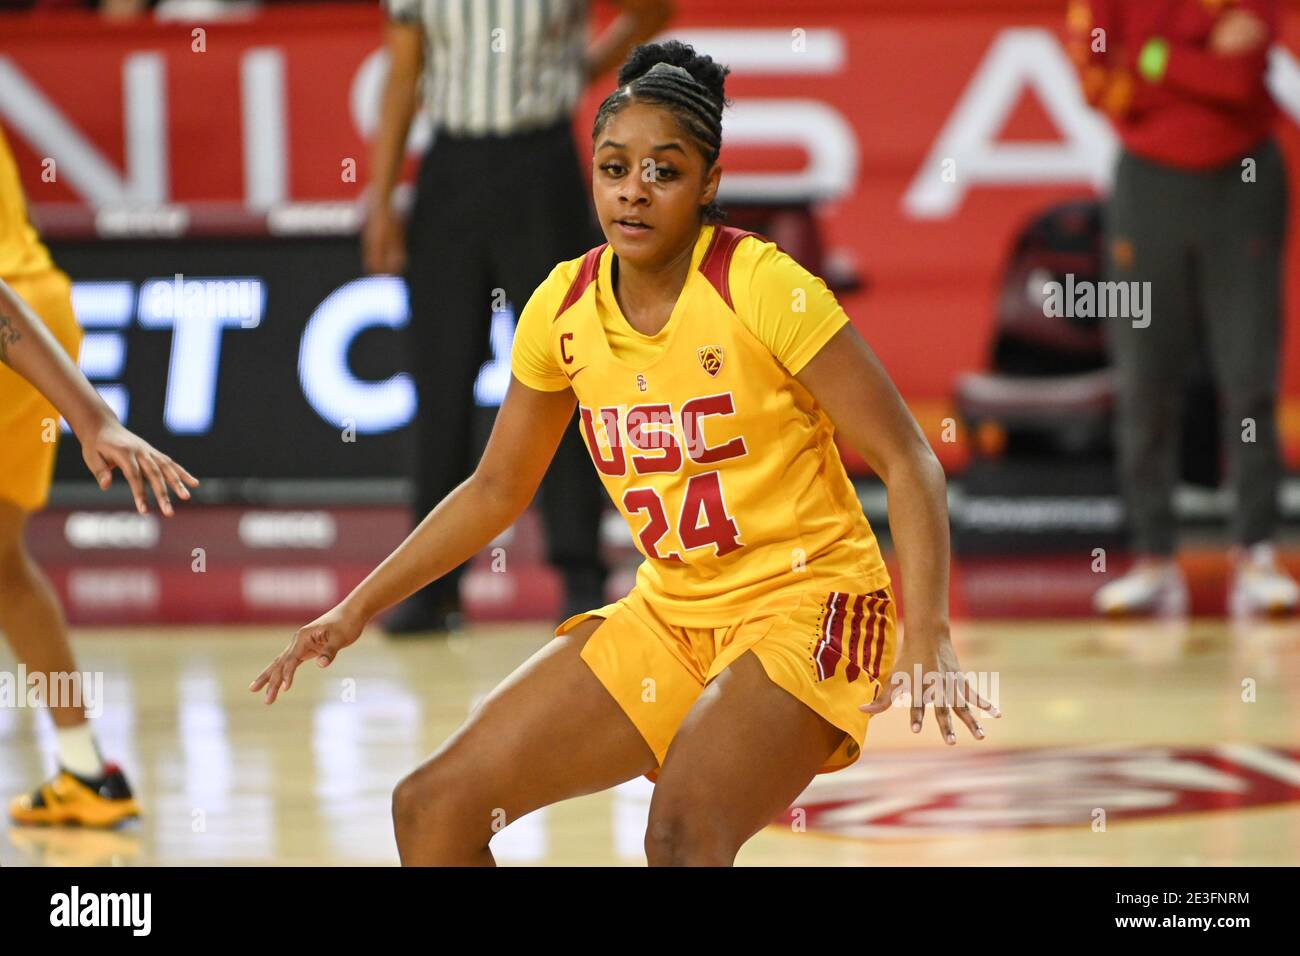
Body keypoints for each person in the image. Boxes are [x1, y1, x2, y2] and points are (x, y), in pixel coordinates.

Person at [254, 41, 995, 866]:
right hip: (672, 611)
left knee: (681, 834)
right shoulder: (562, 307)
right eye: (614, 168)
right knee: (432, 808)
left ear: (708, 184)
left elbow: (909, 458)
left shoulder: (762, 285)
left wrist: (927, 631)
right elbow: (496, 488)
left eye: (664, 172)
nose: (634, 191)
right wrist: (355, 608)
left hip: (810, 605)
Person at [364, 0, 672, 633]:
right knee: (441, 375)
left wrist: (584, 68)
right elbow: (403, 75)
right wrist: (381, 200)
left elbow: (653, 10)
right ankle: (434, 586)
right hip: (450, 167)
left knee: (568, 369)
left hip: (541, 165)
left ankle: (581, 573)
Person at [1068, 0, 1299, 616]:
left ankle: (1255, 551)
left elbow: (1240, 76)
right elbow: (1096, 79)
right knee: (1144, 377)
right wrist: (1188, 55)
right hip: (1148, 184)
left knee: (1249, 378)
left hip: (1244, 178)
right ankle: (1152, 557)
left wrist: (1151, 59)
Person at [0, 132, 199, 827]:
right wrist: (90, 417)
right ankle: (86, 768)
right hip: (38, 311)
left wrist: (93, 419)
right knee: (2, 564)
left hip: (12, 322)